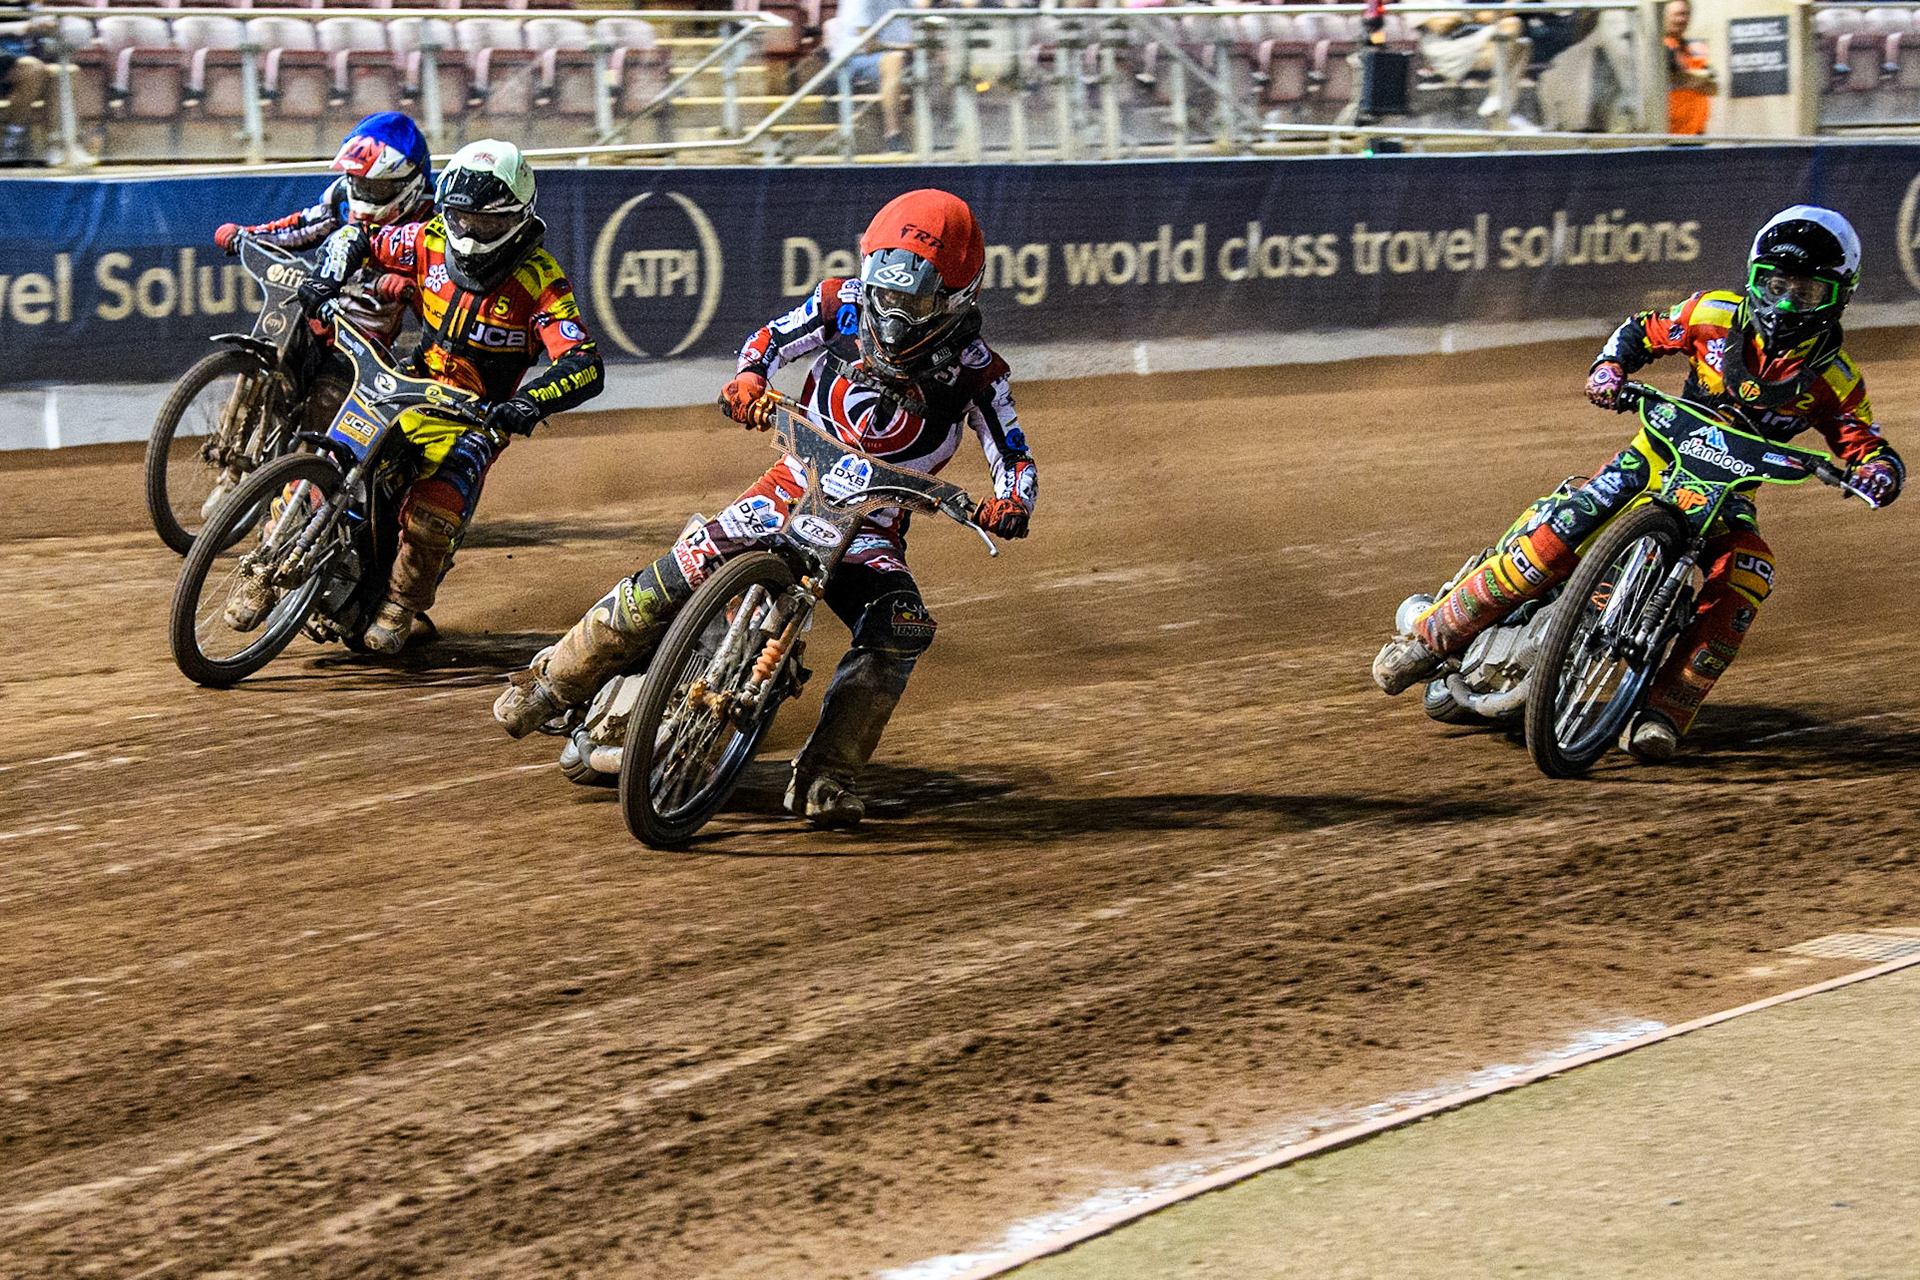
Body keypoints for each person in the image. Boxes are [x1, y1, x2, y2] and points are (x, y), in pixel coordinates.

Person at [492, 188, 1037, 829]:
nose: (892, 313)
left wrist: (1010, 502)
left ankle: (827, 776)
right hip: (789, 483)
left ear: (956, 299)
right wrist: (750, 378)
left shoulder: (980, 373)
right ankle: (553, 680)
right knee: (682, 568)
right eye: (886, 293)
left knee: (900, 626)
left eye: (914, 301)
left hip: (872, 527)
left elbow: (1015, 456)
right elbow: (770, 341)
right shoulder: (841, 304)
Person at [1373, 206, 1904, 760]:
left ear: (1840, 295)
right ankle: (1431, 638)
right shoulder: (1712, 315)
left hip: (1727, 499)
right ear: (1753, 279)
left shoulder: (1836, 381)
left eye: (1807, 291)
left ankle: (1666, 712)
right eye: (1774, 285)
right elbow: (1642, 331)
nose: (1787, 303)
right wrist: (1609, 369)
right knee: (1563, 528)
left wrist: (1878, 471)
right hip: (1651, 461)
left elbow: (1863, 442)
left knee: (1750, 571)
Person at [229, 139, 604, 654]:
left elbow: (583, 362)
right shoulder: (427, 238)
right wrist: (327, 278)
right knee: (326, 459)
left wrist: (527, 403)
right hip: (406, 382)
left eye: (484, 223)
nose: (468, 233)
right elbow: (357, 237)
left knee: (433, 515)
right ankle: (266, 566)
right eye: (460, 218)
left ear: (519, 217)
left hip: (477, 414)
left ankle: (400, 604)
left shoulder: (541, 282)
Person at [213, 112, 436, 354]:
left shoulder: (430, 226)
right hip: (319, 299)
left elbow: (440, 304)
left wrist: (410, 286)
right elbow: (302, 227)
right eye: (358, 183)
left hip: (367, 334)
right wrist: (247, 235)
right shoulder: (342, 196)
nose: (363, 193)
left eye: (376, 187)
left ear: (408, 184)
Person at [0, 10, 55, 166]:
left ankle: (57, 146)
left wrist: (44, 24)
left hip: (20, 55)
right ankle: (11, 144)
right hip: (8, 58)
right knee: (33, 69)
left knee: (65, 73)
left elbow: (40, 14)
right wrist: (22, 26)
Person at [1663, 0, 1716, 135]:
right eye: (1677, 14)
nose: (1682, 19)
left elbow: (1713, 86)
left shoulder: (1689, 49)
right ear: (1664, 16)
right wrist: (1698, 80)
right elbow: (1674, 77)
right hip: (1671, 134)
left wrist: (1687, 79)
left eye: (1685, 14)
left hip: (1696, 131)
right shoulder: (1661, 48)